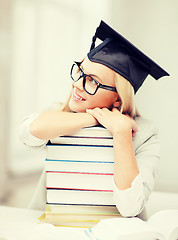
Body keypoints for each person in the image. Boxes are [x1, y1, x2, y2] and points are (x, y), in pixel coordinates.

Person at [19, 21, 169, 218]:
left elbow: (130, 207)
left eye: (92, 81)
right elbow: (29, 132)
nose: (77, 85)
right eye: (80, 72)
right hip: (54, 228)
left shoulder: (145, 133)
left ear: (118, 98)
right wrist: (93, 118)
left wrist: (121, 132)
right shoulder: (58, 115)